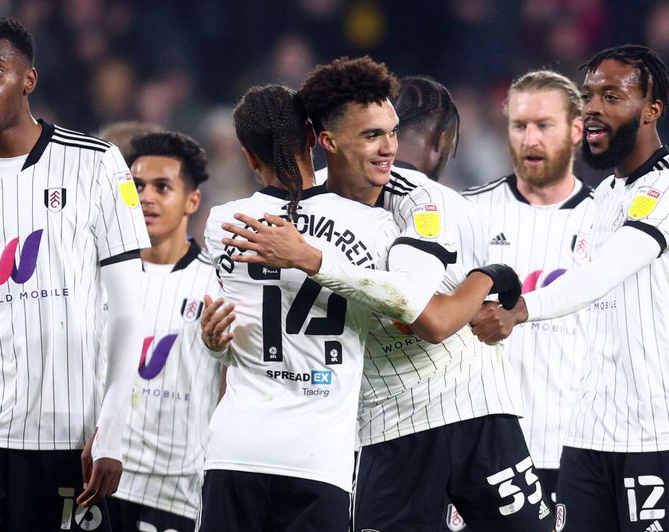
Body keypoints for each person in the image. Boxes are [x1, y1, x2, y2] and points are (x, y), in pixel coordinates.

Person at [223, 57, 549, 531]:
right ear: (328, 142)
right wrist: (217, 342)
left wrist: (492, 273)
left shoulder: (422, 202)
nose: (389, 148)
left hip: (471, 407)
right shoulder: (291, 217)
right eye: (372, 136)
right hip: (385, 426)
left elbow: (430, 317)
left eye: (392, 132)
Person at [472, 45, 669, 532]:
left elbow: (604, 274)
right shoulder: (605, 196)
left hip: (663, 434)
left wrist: (520, 308)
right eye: (588, 96)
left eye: (612, 96)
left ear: (652, 110)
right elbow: (594, 305)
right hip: (588, 436)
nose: (592, 108)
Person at [0, 16, 148, 531]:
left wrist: (111, 426)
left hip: (62, 432)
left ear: (29, 80)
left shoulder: (97, 165)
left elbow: (129, 308)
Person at [197, 84, 400, 531]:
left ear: (248, 157)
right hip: (318, 457)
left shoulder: (222, 224)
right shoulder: (375, 227)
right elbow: (399, 308)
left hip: (236, 449)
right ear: (313, 137)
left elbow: (236, 331)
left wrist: (214, 345)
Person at [462, 70, 595, 508]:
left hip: (577, 451)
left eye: (544, 125)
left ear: (577, 129)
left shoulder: (612, 223)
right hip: (481, 453)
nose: (530, 139)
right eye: (519, 126)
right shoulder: (468, 215)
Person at [106, 131, 223, 532]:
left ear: (193, 200)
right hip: (96, 479)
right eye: (137, 186)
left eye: (162, 187)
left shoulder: (216, 285)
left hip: (174, 490)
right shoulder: (96, 276)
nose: (146, 197)